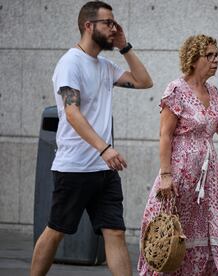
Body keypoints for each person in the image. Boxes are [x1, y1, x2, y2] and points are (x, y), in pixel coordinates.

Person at [30, 1, 153, 276]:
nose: (114, 27)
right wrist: (104, 148)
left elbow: (145, 82)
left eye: (114, 23)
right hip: (74, 168)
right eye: (107, 23)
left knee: (115, 232)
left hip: (104, 170)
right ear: (88, 26)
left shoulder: (106, 66)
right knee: (56, 232)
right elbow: (72, 113)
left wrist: (125, 46)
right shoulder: (69, 63)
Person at [137, 34, 218, 275]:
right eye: (210, 55)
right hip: (180, 172)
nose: (216, 61)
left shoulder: (214, 92)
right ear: (193, 59)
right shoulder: (176, 89)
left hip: (209, 177)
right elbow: (165, 135)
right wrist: (165, 175)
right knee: (171, 236)